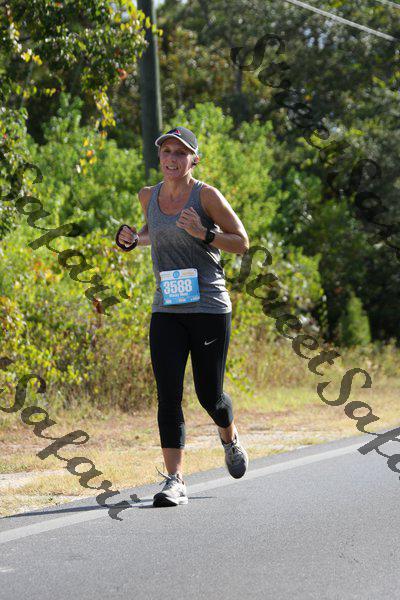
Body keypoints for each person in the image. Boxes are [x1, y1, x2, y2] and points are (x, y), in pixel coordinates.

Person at [116, 126, 250, 508]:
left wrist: (205, 233)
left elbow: (241, 243)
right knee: (168, 395)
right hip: (167, 310)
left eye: (180, 153)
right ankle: (175, 480)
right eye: (166, 152)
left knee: (210, 395)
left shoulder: (206, 196)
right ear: (159, 157)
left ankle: (229, 437)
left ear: (194, 160)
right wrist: (133, 239)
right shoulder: (148, 196)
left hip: (208, 308)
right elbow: (153, 232)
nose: (172, 159)